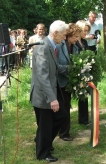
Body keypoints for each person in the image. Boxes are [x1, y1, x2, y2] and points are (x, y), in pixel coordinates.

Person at [30, 20, 69, 162]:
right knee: (45, 125)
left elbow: (55, 68)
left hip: (50, 90)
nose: (65, 38)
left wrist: (72, 69)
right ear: (56, 33)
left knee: (61, 116)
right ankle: (43, 153)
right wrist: (52, 99)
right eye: (64, 35)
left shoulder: (52, 46)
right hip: (43, 95)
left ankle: (42, 141)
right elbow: (42, 76)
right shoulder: (42, 47)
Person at [56, 23, 82, 141]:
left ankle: (64, 133)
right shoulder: (59, 46)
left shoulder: (76, 48)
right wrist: (71, 69)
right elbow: (57, 66)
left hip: (68, 82)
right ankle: (60, 131)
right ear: (68, 35)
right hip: (57, 81)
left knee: (66, 106)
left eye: (78, 37)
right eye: (75, 37)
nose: (77, 39)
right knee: (59, 108)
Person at [75, 20, 91, 125]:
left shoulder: (84, 42)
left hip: (85, 70)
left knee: (84, 94)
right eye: (84, 31)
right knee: (81, 94)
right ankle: (83, 119)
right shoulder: (75, 42)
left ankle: (84, 119)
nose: (86, 33)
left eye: (87, 31)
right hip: (77, 70)